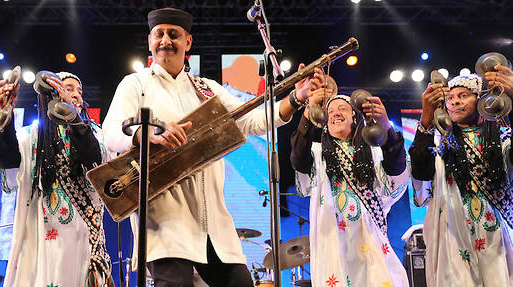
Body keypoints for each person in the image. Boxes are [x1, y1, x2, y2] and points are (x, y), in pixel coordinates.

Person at [102, 7, 321, 286]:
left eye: (174, 34)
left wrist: (296, 97)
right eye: (159, 34)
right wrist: (146, 135)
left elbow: (252, 120)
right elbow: (110, 132)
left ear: (188, 42)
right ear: (149, 41)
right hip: (166, 219)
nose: (165, 40)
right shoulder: (136, 84)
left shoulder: (206, 88)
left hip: (214, 223)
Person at [0, 72, 113, 287]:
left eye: (79, 91)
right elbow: (10, 162)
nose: (75, 94)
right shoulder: (32, 135)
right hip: (42, 235)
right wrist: (6, 114)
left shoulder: (95, 133)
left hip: (84, 236)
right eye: (67, 88)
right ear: (50, 94)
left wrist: (74, 118)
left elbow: (96, 162)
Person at [290, 88, 410, 286]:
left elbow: (396, 171)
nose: (335, 113)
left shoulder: (373, 153)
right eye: (330, 111)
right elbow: (298, 158)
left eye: (343, 109)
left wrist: (386, 126)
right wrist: (309, 111)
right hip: (333, 241)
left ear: (355, 118)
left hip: (371, 238)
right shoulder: (318, 155)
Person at [409, 71, 513, 287]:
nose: (455, 101)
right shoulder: (440, 147)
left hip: (494, 236)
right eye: (450, 97)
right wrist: (426, 121)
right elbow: (421, 173)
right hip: (453, 236)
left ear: (481, 100)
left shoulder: (501, 138)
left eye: (464, 95)